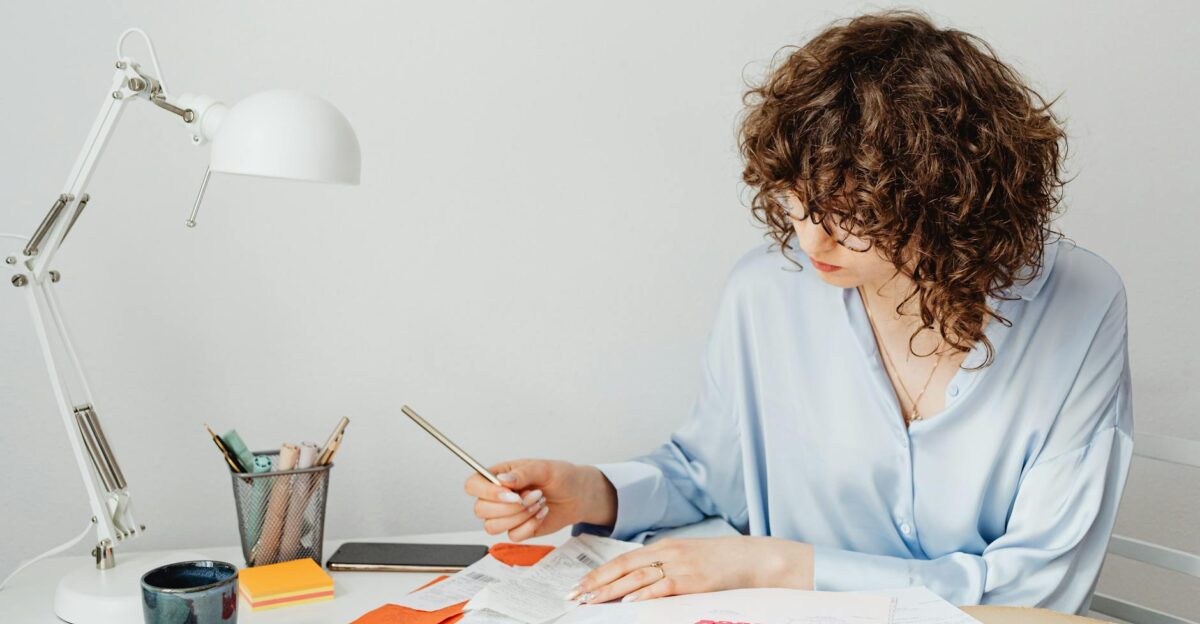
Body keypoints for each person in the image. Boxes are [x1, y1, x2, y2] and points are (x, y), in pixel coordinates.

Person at [464, 9, 1132, 615]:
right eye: (797, 200)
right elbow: (711, 476)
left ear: (951, 199)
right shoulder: (766, 292)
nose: (814, 240)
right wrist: (593, 492)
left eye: (857, 213)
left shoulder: (1080, 304)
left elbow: (1037, 593)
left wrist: (778, 564)